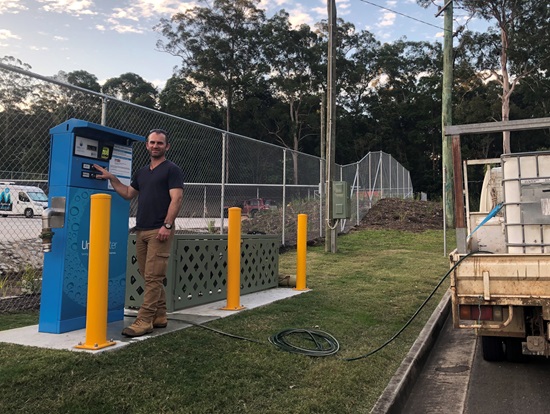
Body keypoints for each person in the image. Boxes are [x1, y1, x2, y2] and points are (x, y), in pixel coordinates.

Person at [94, 129, 184, 337]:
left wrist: (167, 225)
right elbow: (127, 193)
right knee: (148, 276)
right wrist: (112, 178)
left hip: (159, 230)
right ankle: (160, 315)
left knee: (153, 277)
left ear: (166, 147)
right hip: (141, 230)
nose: (155, 146)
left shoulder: (172, 170)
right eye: (152, 143)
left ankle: (144, 320)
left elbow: (176, 199)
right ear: (147, 145)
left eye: (160, 143)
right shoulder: (142, 173)